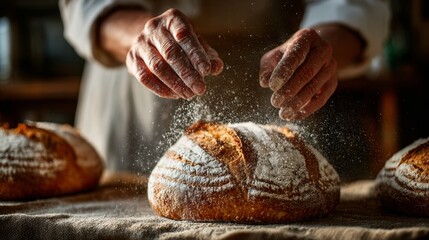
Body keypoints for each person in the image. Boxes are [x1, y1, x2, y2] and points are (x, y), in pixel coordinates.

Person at [59, 0, 390, 174]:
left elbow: (357, 3)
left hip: (276, 72)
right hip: (137, 77)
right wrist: (141, 37)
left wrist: (321, 47)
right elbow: (86, 5)